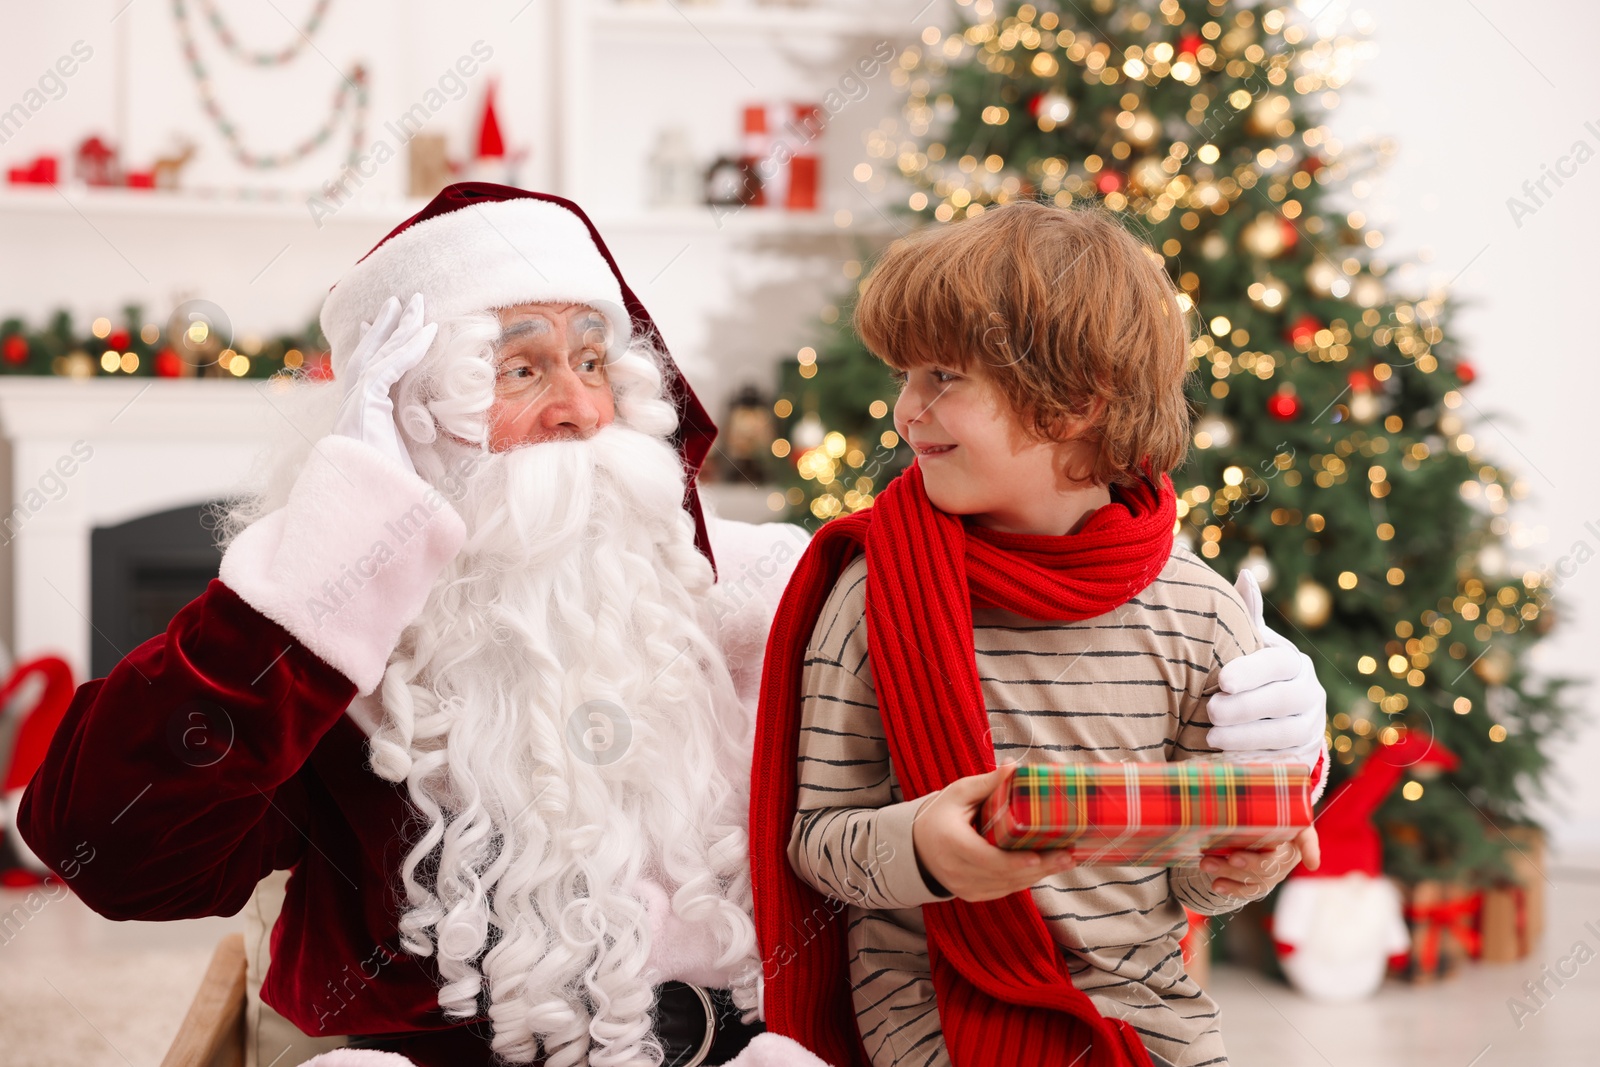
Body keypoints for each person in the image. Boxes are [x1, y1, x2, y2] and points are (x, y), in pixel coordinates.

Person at [22, 186, 1318, 1067]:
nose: (580, 408)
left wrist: (1269, 709)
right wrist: (321, 562)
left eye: (597, 361)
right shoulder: (332, 647)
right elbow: (105, 848)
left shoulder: (758, 590)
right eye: (519, 367)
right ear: (409, 418)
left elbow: (1056, 629)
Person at [750, 201, 1329, 1067]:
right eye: (906, 376)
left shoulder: (1201, 614)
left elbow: (1192, 878)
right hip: (933, 1023)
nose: (907, 412)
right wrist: (924, 850)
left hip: (1148, 1024)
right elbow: (818, 843)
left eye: (943, 375)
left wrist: (1245, 862)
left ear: (1073, 402)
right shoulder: (872, 593)